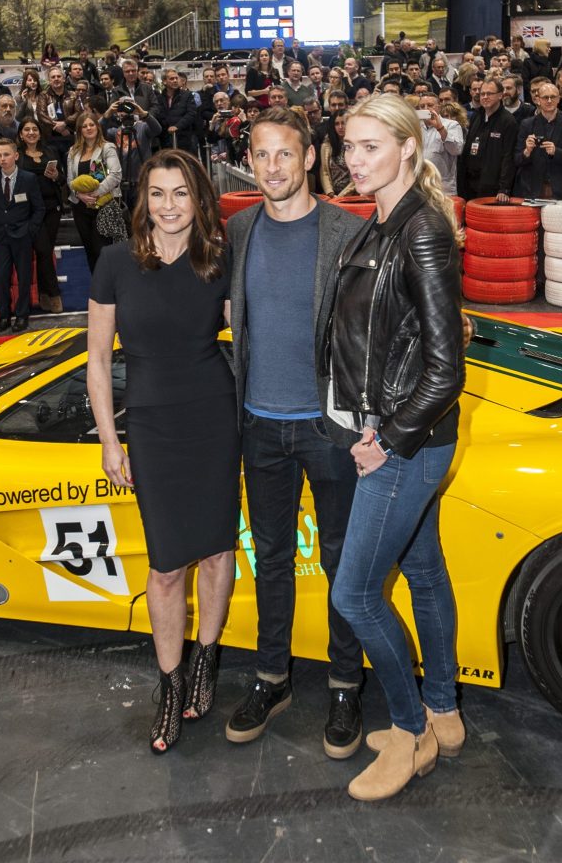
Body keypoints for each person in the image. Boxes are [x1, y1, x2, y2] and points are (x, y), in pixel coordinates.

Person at [326, 95, 465, 802]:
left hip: (404, 440)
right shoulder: (379, 220)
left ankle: (409, 733)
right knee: (422, 570)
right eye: (348, 146)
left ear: (409, 147)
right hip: (388, 429)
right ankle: (443, 711)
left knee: (352, 594)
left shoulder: (420, 231)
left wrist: (387, 438)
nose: (354, 160)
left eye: (370, 146)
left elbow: (447, 367)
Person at [87, 148, 240, 754]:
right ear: (142, 200)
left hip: (214, 416)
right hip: (151, 424)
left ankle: (206, 660)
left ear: (198, 199)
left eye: (181, 193)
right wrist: (108, 438)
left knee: (217, 551)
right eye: (157, 193)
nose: (169, 206)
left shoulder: (218, 260)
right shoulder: (116, 263)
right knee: (166, 564)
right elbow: (98, 360)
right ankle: (171, 684)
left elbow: (251, 330)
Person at [225, 107, 365, 759]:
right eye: (261, 155)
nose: (273, 167)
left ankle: (343, 684)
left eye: (284, 154)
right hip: (258, 425)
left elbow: (371, 333)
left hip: (326, 427)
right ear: (248, 161)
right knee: (270, 561)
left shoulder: (346, 232)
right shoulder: (238, 229)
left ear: (308, 157)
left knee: (340, 562)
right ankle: (271, 677)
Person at [0, 137, 45, 333]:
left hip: (22, 236)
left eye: (6, 154)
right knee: (1, 277)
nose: (2, 159)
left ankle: (22, 315)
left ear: (16, 156)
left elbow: (39, 208)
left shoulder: (28, 179)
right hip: (0, 237)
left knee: (24, 276)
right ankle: (4, 315)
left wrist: (30, 230)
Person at [16, 118, 65, 313]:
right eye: (26, 129)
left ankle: (44, 295)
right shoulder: (17, 156)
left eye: (34, 129)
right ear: (20, 134)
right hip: (30, 211)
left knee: (46, 252)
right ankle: (54, 295)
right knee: (44, 251)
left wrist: (56, 176)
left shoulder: (50, 151)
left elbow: (62, 179)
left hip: (53, 208)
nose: (31, 132)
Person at [67, 112, 122, 272]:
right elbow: (70, 180)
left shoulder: (107, 147)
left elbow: (116, 174)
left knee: (102, 251)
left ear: (97, 127)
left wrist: (95, 194)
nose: (88, 128)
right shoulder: (73, 151)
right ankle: (97, 288)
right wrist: (79, 195)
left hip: (103, 206)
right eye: (84, 126)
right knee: (89, 250)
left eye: (91, 124)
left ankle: (109, 289)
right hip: (80, 207)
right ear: (79, 130)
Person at [513, 82, 562, 200]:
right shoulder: (526, 124)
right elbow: (516, 159)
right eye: (545, 97)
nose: (549, 100)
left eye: (553, 97)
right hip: (531, 189)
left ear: (558, 99)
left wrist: (556, 152)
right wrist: (527, 151)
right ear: (538, 100)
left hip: (561, 190)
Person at [457, 79, 517, 201]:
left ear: (500, 95)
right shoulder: (476, 116)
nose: (484, 97)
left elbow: (508, 156)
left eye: (489, 94)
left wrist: (504, 188)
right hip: (469, 183)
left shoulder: (508, 121)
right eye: (482, 94)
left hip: (492, 186)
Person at [320, 109, 354, 196]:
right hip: (332, 195)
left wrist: (341, 196)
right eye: (337, 124)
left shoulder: (356, 145)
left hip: (352, 194)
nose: (340, 127)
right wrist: (330, 193)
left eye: (343, 123)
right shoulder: (327, 145)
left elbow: (356, 175)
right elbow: (324, 172)